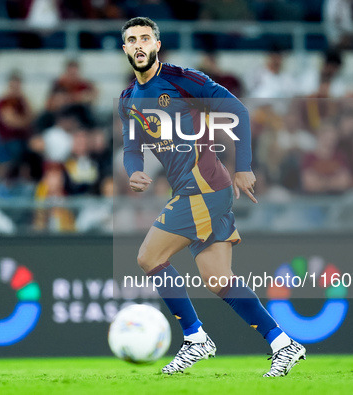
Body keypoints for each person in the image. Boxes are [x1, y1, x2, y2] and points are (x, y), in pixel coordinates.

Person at [119, 17, 305, 377]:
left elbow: (238, 109)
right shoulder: (128, 99)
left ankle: (195, 338)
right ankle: (284, 344)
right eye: (132, 40)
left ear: (157, 45)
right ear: (125, 49)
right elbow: (131, 147)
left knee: (148, 257)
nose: (139, 44)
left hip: (203, 186)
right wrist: (134, 171)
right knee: (219, 279)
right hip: (194, 190)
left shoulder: (182, 79)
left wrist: (244, 166)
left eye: (146, 38)